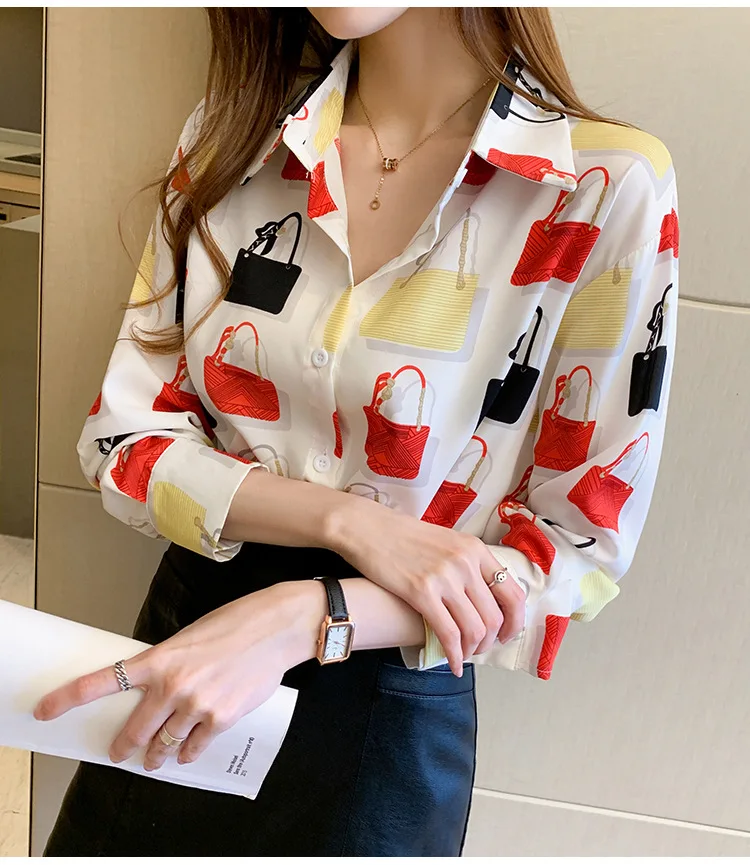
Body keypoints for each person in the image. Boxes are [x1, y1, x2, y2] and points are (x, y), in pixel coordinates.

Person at [37, 7, 679, 857]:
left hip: (387, 701)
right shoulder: (235, 140)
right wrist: (351, 523)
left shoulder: (604, 184)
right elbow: (122, 442)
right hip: (189, 648)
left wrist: (308, 613)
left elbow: (575, 552)